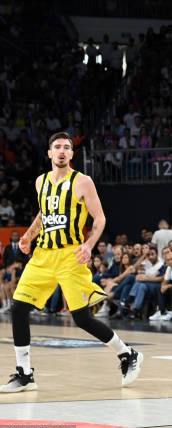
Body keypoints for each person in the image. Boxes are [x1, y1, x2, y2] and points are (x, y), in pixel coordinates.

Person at [0, 132, 143, 393]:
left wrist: (88, 246)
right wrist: (29, 236)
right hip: (43, 255)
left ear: (72, 154)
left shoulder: (83, 182)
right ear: (50, 153)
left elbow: (99, 219)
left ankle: (127, 354)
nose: (63, 151)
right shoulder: (40, 182)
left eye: (67, 147)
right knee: (18, 308)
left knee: (82, 318)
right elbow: (45, 212)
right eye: (57, 147)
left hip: (70, 255)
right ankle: (25, 374)